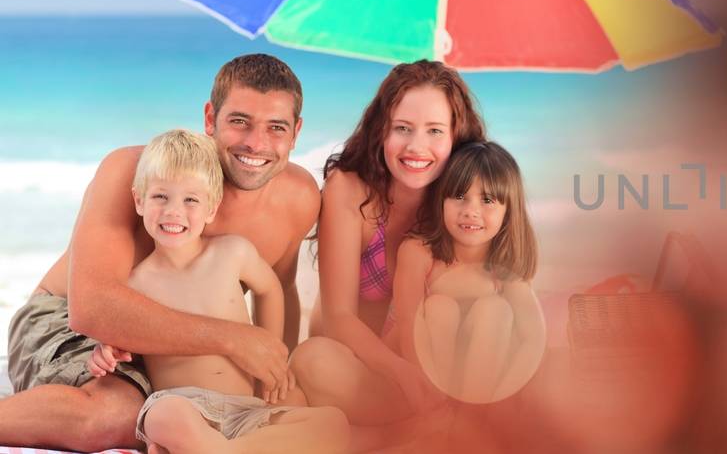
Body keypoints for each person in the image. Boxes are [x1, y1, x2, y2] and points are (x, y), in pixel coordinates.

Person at [0, 53, 320, 452]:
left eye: (276, 127)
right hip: (69, 319)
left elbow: (280, 289)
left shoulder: (299, 198)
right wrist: (235, 340)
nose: (256, 143)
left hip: (173, 354)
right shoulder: (136, 172)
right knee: (117, 414)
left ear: (296, 132)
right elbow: (91, 308)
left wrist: (274, 373)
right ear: (210, 118)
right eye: (239, 121)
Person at [84, 129, 346, 454]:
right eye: (160, 197)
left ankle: (221, 451)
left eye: (190, 199)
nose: (173, 211)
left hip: (246, 409)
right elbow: (122, 337)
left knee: (333, 423)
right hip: (186, 406)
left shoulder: (232, 253)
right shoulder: (135, 283)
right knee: (161, 415)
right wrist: (105, 353)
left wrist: (271, 357)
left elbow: (270, 290)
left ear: (211, 208)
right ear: (139, 200)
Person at [289, 60, 487, 435]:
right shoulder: (350, 189)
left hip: (424, 362)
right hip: (355, 362)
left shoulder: (463, 201)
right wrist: (405, 375)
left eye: (434, 131)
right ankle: (407, 433)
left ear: (456, 136)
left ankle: (387, 433)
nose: (417, 147)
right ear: (382, 130)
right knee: (312, 359)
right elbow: (339, 317)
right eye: (403, 128)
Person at [389, 141, 543, 405]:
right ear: (441, 200)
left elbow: (533, 339)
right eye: (459, 196)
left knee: (497, 310)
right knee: (440, 307)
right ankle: (443, 414)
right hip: (415, 375)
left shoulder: (503, 268)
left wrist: (500, 398)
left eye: (487, 200)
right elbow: (408, 329)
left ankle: (474, 415)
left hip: (478, 385)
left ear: (508, 212)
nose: (471, 211)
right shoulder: (419, 252)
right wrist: (429, 394)